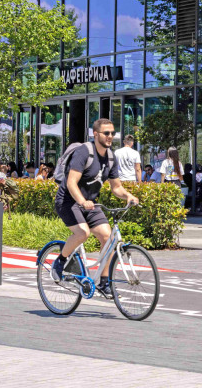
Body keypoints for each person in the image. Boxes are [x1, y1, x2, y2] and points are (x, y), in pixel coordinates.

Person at [52, 118, 138, 297]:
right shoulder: (84, 152)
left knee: (108, 237)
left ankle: (104, 283)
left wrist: (128, 195)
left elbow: (116, 187)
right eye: (106, 133)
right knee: (83, 233)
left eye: (113, 133)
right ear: (96, 134)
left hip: (90, 203)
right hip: (68, 201)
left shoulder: (111, 157)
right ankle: (60, 262)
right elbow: (71, 182)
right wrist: (82, 201)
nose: (110, 137)